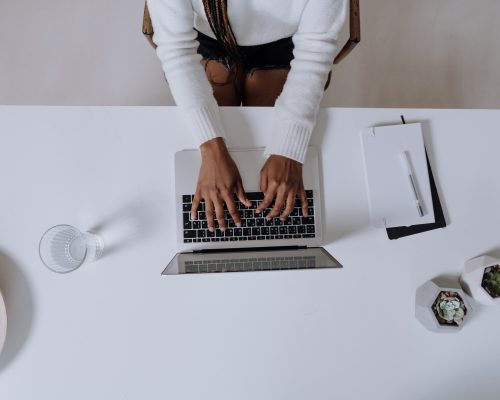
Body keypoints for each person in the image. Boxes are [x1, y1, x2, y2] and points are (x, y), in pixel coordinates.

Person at [147, 0, 347, 232]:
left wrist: (288, 151)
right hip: (212, 37)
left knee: (266, 187)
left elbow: (315, 50)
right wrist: (211, 148)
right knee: (212, 187)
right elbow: (176, 50)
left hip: (285, 42)